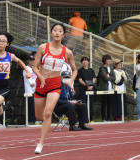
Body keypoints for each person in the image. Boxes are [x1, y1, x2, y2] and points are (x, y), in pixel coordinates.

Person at [32, 23, 77, 154]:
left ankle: (41, 143)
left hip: (55, 85)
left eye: (60, 31)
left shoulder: (67, 52)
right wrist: (40, 77)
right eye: (55, 31)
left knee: (48, 112)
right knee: (39, 117)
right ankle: (42, 128)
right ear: (51, 33)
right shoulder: (42, 47)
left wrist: (70, 82)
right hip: (41, 83)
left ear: (64, 34)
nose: (57, 33)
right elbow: (35, 66)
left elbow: (74, 70)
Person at [0, 32, 31, 139]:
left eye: (3, 41)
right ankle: (7, 106)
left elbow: (19, 61)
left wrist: (27, 71)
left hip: (5, 85)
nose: (1, 43)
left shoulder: (10, 56)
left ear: (7, 44)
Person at [23, 54, 41, 125]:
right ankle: (31, 119)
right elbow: (27, 79)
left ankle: (36, 119)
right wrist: (32, 83)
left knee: (36, 105)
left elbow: (37, 77)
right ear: (27, 61)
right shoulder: (26, 69)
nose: (32, 61)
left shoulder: (36, 68)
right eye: (31, 60)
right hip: (29, 90)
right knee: (31, 105)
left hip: (36, 89)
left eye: (33, 60)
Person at [77, 57, 96, 123]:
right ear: (81, 62)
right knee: (82, 104)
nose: (85, 62)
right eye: (83, 61)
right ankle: (82, 119)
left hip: (90, 89)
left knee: (91, 104)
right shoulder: (80, 70)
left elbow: (94, 79)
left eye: (86, 60)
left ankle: (90, 118)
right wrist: (87, 85)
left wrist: (91, 86)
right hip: (83, 89)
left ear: (88, 62)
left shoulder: (91, 70)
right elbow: (80, 80)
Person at [97, 55, 116, 122]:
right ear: (105, 60)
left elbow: (114, 77)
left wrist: (110, 78)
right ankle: (103, 118)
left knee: (109, 104)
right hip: (104, 88)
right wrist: (110, 78)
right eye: (108, 59)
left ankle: (109, 117)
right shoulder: (102, 68)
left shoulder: (111, 68)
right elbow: (105, 78)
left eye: (110, 59)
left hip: (110, 88)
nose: (110, 61)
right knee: (104, 103)